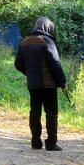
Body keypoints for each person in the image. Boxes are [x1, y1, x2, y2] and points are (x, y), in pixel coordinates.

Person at [14, 17, 68, 151]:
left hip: (33, 85)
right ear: (47, 27)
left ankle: (36, 142)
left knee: (35, 112)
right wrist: (63, 83)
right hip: (49, 86)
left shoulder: (24, 42)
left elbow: (18, 64)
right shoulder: (47, 41)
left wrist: (31, 74)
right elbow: (55, 63)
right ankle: (51, 144)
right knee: (51, 113)